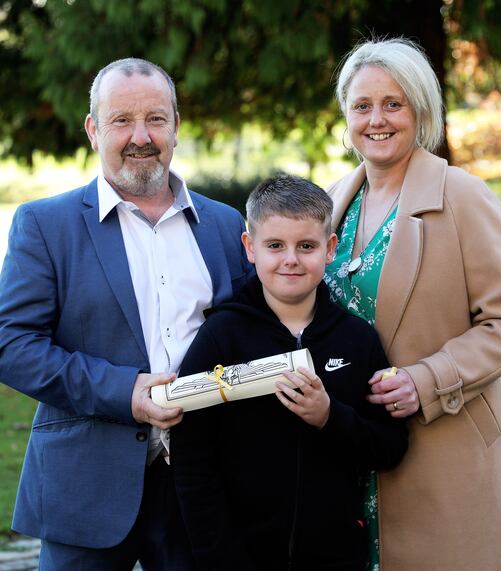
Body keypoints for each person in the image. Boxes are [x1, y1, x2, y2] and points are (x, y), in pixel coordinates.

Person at [0, 58, 253, 570]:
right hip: (87, 486)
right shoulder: (46, 225)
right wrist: (124, 391)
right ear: (93, 129)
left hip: (202, 484)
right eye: (121, 120)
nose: (140, 136)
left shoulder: (223, 225)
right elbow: (10, 348)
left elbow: (247, 334)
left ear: (176, 126)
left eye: (155, 119)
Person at [323, 39, 501, 570]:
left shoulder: (465, 198)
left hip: (445, 456)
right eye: (363, 106)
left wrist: (425, 380)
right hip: (347, 459)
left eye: (394, 104)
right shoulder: (330, 202)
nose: (377, 119)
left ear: (421, 111)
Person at [170, 174, 409, 571]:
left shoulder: (357, 339)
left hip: (336, 554)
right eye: (275, 246)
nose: (291, 260)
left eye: (307, 246)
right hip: (240, 555)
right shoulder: (221, 336)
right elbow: (193, 458)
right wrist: (219, 555)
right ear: (250, 247)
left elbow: (389, 446)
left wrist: (329, 417)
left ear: (330, 249)